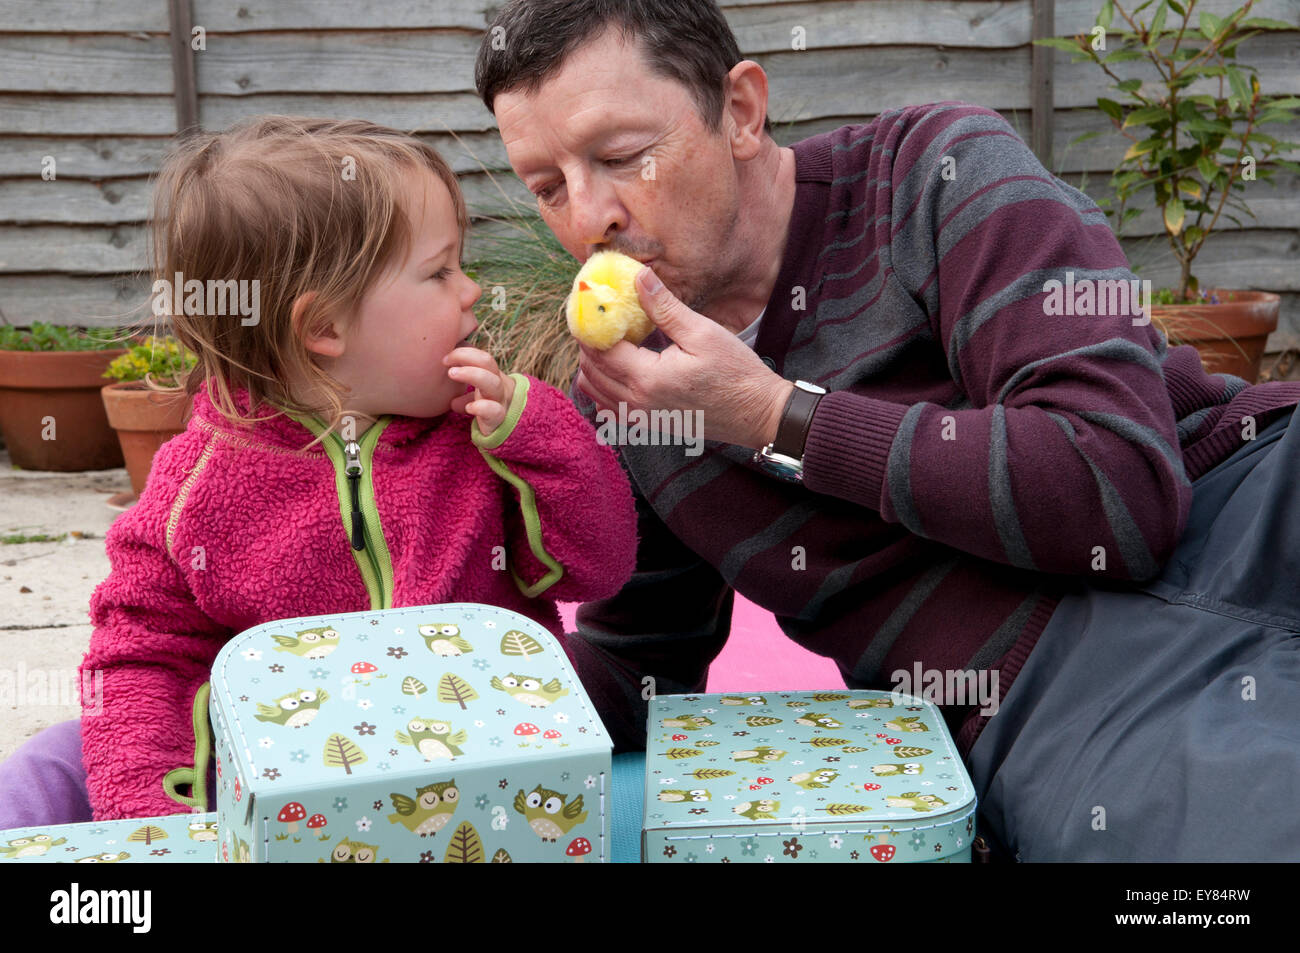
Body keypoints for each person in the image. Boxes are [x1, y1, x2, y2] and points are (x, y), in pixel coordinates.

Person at [474, 0, 1300, 860]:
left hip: (1243, 490)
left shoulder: (932, 175)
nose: (587, 215)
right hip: (1048, 689)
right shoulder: (633, 402)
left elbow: (1117, 491)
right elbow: (634, 670)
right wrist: (435, 674)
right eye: (546, 186)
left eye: (622, 156)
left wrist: (774, 416)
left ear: (742, 112)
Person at [0, 116, 636, 825]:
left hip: (478, 780)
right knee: (48, 764)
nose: (472, 291)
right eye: (440, 270)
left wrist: (541, 432)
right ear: (325, 327)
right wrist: (153, 820)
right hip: (283, 793)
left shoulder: (483, 438)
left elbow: (598, 565)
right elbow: (140, 658)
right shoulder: (196, 484)